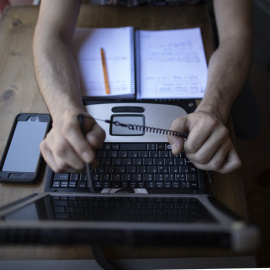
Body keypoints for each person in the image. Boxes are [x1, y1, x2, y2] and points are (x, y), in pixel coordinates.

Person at [33, 0, 253, 174]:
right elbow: (51, 34)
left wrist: (212, 109)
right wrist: (63, 111)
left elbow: (236, 35)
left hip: (194, 23)